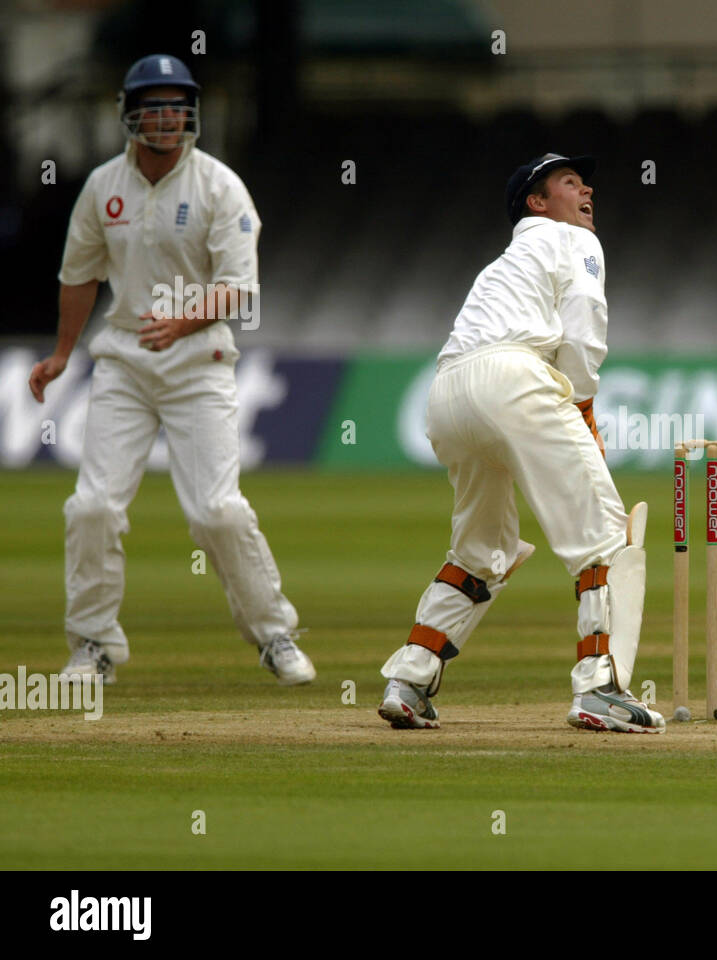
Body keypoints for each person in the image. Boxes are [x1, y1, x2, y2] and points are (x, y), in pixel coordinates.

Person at [27, 54, 314, 686]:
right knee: (92, 508)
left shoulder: (219, 186)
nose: (167, 116)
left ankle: (274, 635)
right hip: (124, 360)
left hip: (199, 361)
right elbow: (78, 276)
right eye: (154, 105)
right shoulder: (104, 186)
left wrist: (183, 320)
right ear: (130, 114)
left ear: (192, 113)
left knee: (217, 513)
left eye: (177, 105)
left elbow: (240, 287)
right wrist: (62, 353)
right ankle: (93, 646)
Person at [376, 153, 662, 734]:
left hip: (447, 394)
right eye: (569, 182)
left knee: (480, 550)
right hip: (512, 379)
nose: (587, 189)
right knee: (605, 534)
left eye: (587, 181)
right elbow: (583, 322)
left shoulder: (502, 263)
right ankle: (600, 688)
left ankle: (409, 678)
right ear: (537, 202)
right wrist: (582, 406)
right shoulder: (571, 239)